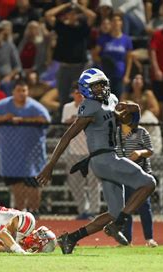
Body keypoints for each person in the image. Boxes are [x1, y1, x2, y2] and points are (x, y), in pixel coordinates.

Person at [37, 68, 156, 254]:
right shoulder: (90, 105)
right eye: (96, 86)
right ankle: (118, 225)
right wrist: (50, 165)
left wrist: (136, 110)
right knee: (149, 183)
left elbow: (130, 127)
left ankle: (70, 238)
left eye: (102, 84)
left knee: (115, 212)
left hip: (111, 157)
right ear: (86, 89)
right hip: (104, 158)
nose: (101, 88)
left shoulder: (112, 100)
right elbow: (68, 136)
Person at [0, 79, 51, 212]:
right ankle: (20, 212)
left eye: (24, 90)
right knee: (16, 183)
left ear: (28, 92)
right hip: (11, 154)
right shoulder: (3, 105)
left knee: (33, 183)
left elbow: (46, 120)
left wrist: (24, 120)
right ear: (13, 92)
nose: (21, 93)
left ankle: (34, 211)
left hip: (32, 154)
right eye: (19, 90)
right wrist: (4, 118)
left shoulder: (35, 106)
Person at [45, 2, 96, 109]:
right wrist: (66, 5)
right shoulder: (61, 27)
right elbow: (48, 15)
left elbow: (92, 16)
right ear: (66, 15)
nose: (72, 16)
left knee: (81, 96)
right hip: (64, 67)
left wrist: (78, 6)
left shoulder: (82, 28)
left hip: (79, 67)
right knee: (62, 97)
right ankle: (63, 121)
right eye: (70, 14)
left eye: (74, 14)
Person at [61, 83, 101, 220]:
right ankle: (83, 209)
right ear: (73, 94)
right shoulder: (67, 107)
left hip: (91, 150)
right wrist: (74, 120)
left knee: (93, 181)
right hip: (74, 151)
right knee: (74, 182)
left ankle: (94, 211)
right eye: (77, 93)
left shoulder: (92, 106)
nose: (79, 96)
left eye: (82, 93)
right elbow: (65, 124)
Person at [116, 121, 158, 247]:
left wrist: (140, 153)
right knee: (127, 207)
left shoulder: (141, 131)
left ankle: (149, 238)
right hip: (125, 175)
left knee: (144, 207)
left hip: (141, 174)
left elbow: (150, 150)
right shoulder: (115, 132)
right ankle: (127, 240)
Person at [95, 13, 133, 97]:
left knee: (117, 100)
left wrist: (126, 75)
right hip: (104, 75)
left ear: (121, 23)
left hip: (119, 74)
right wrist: (103, 63)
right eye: (113, 21)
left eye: (118, 20)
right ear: (111, 23)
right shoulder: (103, 38)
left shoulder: (126, 39)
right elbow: (95, 54)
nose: (116, 23)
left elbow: (129, 59)